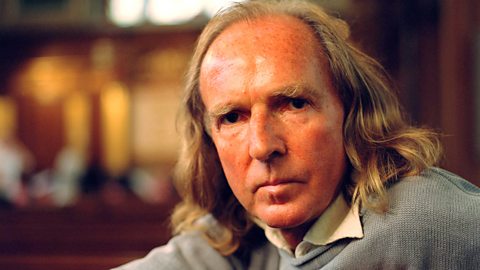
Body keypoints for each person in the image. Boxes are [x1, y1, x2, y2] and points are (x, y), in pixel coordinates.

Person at [114, 0, 480, 269]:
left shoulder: (434, 222)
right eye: (232, 117)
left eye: (293, 104)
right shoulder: (238, 237)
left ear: (349, 111)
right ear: (210, 139)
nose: (262, 146)